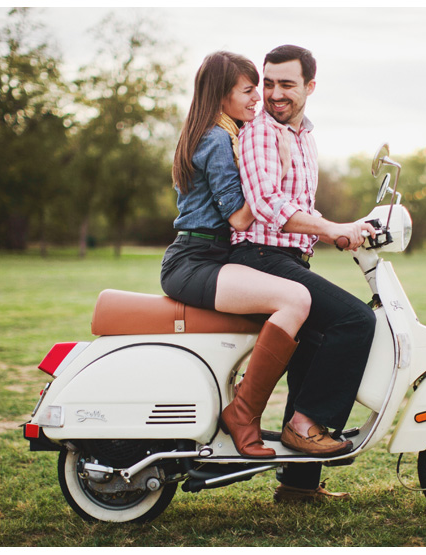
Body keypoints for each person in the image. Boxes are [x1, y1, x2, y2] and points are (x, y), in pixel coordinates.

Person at [230, 45, 378, 502]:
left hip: (290, 260)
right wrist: (334, 230)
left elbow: (303, 207)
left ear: (310, 87)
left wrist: (348, 228)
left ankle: (299, 484)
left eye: (286, 84)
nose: (274, 94)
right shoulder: (259, 131)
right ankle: (303, 425)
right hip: (259, 255)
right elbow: (269, 205)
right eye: (268, 83)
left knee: (314, 347)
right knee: (355, 320)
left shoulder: (304, 136)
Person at [160, 51, 311, 459]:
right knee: (294, 298)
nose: (257, 99)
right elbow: (242, 218)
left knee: (297, 303)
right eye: (248, 90)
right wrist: (278, 166)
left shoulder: (225, 133)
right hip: (194, 261)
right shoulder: (214, 139)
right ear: (222, 95)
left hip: (210, 257)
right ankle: (242, 413)